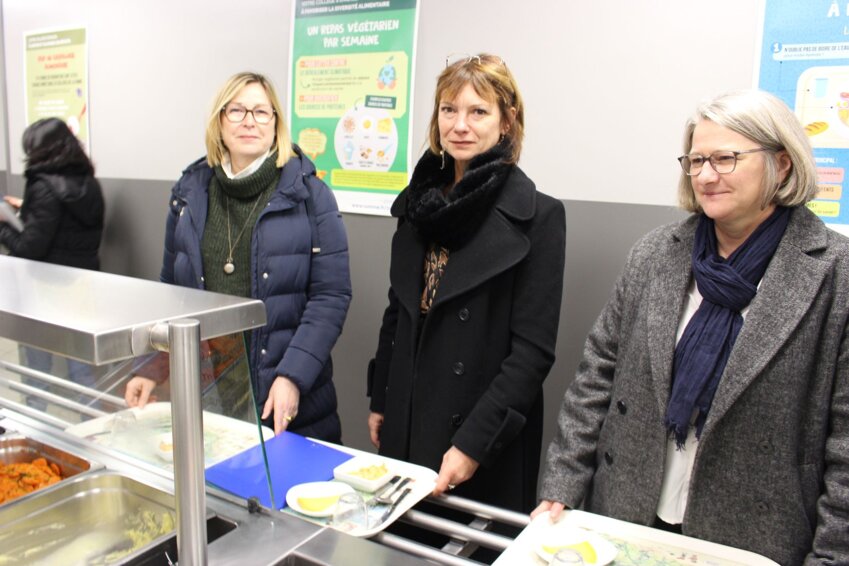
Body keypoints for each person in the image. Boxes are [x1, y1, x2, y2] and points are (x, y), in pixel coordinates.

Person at [534, 90, 849, 565]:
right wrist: (563, 484)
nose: (705, 175)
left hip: (753, 538)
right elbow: (597, 375)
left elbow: (845, 445)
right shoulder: (657, 253)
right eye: (696, 159)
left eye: (725, 158)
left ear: (781, 164)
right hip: (628, 514)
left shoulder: (834, 274)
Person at [367, 54, 566, 513]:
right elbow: (398, 311)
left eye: (478, 112)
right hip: (408, 420)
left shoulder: (540, 216)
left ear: (507, 122)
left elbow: (532, 353)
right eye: (448, 110)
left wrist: (474, 444)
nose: (460, 125)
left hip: (481, 438)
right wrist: (382, 399)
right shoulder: (419, 205)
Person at [124, 72, 352, 442]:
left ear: (276, 123)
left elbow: (331, 296)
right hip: (206, 395)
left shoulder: (310, 194)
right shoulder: (189, 193)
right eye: (237, 110)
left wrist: (292, 376)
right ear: (219, 121)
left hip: (284, 397)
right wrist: (152, 365)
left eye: (262, 112)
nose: (249, 121)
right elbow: (170, 292)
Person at [0, 117, 105, 394]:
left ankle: (33, 436)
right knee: (81, 370)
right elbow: (65, 224)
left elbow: (27, 249)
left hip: (43, 290)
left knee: (36, 372)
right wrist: (28, 210)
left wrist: (2, 226)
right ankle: (93, 434)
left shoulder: (43, 186)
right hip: (82, 286)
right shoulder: (88, 182)